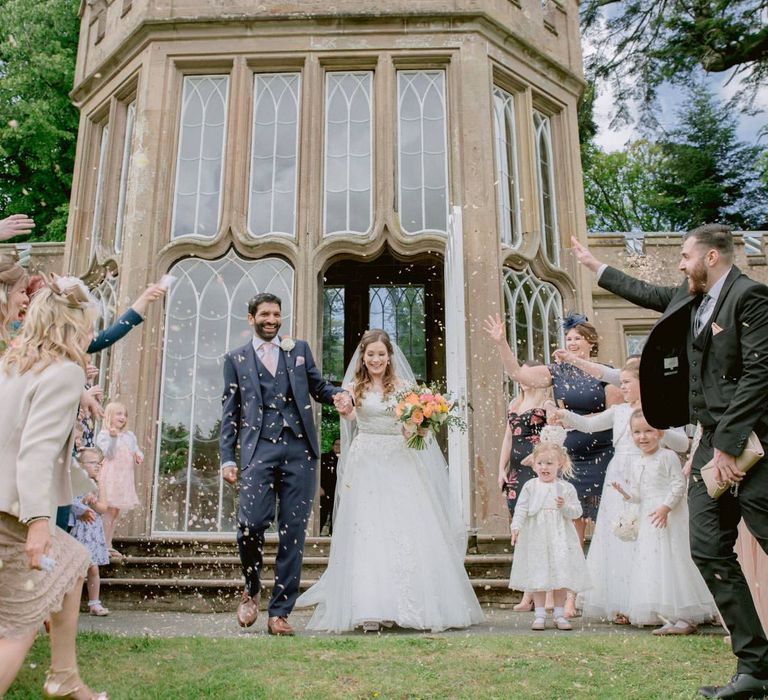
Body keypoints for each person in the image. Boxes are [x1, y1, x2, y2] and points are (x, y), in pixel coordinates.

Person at [571, 225, 768, 698]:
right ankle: (756, 668)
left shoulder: (751, 297)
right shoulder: (693, 297)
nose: (680, 264)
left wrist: (727, 443)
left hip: (753, 446)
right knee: (707, 546)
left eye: (685, 256)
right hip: (709, 446)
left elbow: (760, 373)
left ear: (713, 256)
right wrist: (598, 268)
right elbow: (649, 293)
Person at [296, 329, 484, 633]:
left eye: (381, 354)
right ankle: (370, 605)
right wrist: (345, 410)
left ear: (389, 356)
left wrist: (419, 426)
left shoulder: (404, 388)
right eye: (370, 355)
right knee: (368, 530)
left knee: (404, 528)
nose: (375, 360)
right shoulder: (353, 386)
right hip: (366, 460)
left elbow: (412, 425)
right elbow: (350, 418)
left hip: (399, 460)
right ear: (363, 357)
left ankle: (408, 603)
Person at [0, 277, 107, 699]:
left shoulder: (13, 364)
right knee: (19, 624)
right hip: (14, 510)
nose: (91, 335)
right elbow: (36, 451)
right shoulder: (65, 372)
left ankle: (64, 674)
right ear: (70, 325)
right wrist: (39, 523)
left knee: (76, 558)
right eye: (87, 325)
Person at [219, 292, 350, 635]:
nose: (272, 319)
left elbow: (318, 387)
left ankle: (280, 612)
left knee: (293, 533)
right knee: (251, 523)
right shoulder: (235, 359)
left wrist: (339, 394)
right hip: (257, 450)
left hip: (299, 451)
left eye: (276, 314)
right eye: (265, 314)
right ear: (252, 318)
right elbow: (230, 413)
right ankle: (251, 586)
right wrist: (227, 458)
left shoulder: (298, 350)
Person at [548, 358, 689, 624]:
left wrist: (659, 430)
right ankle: (625, 602)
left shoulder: (662, 408)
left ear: (642, 383)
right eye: (621, 382)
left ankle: (654, 601)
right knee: (620, 535)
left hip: (649, 475)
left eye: (626, 382)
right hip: (619, 478)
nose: (621, 387)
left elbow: (682, 443)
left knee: (648, 539)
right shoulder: (620, 411)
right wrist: (563, 415)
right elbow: (589, 425)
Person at [611, 410, 717, 634]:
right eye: (637, 432)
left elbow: (678, 485)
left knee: (674, 560)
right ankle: (667, 612)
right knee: (656, 562)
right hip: (650, 517)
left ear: (659, 433)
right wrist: (627, 494)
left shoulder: (667, 457)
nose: (643, 437)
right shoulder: (637, 461)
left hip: (670, 515)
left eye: (648, 431)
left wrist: (666, 507)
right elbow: (641, 494)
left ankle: (686, 616)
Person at [508, 431, 590, 631]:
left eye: (549, 463)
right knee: (539, 574)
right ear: (534, 464)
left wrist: (564, 507)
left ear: (559, 465)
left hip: (559, 536)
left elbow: (576, 512)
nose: (544, 467)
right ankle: (539, 614)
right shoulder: (530, 486)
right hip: (536, 535)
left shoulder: (566, 488)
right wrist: (516, 527)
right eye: (541, 463)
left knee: (560, 574)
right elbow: (522, 509)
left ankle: (560, 614)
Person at [496, 366, 550, 613]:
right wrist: (501, 469)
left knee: (541, 529)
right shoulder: (514, 403)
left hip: (537, 470)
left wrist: (540, 460)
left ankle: (545, 593)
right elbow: (508, 438)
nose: (524, 380)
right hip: (516, 472)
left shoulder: (547, 403)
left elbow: (552, 437)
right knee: (521, 531)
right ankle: (528, 593)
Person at [96, 402, 143, 559]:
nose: (122, 417)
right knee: (108, 511)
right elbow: (109, 454)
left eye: (124, 414)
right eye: (119, 414)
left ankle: (108, 544)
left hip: (124, 478)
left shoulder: (130, 436)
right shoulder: (104, 435)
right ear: (109, 416)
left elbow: (135, 449)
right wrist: (114, 438)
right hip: (111, 477)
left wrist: (138, 455)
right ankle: (101, 544)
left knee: (116, 512)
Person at [71, 447, 110, 617]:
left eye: (99, 463)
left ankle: (94, 603)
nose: (97, 466)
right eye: (93, 463)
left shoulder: (98, 484)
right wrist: (81, 508)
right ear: (81, 464)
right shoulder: (76, 482)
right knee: (76, 568)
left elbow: (103, 507)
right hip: (78, 529)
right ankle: (69, 604)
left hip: (92, 532)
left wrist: (93, 503)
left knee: (93, 569)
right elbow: (69, 502)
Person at [319, 438, 340, 535]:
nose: (338, 446)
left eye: (340, 445)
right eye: (336, 444)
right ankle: (317, 534)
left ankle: (334, 535)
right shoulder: (324, 457)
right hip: (324, 491)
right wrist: (318, 487)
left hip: (338, 492)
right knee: (322, 514)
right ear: (332, 446)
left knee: (336, 515)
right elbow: (317, 473)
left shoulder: (345, 459)